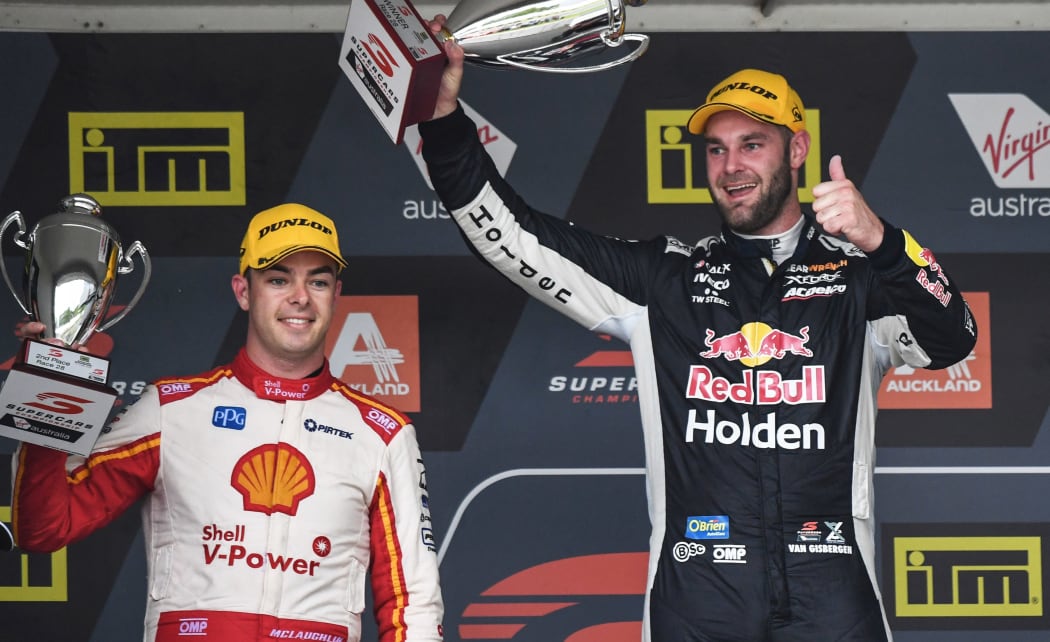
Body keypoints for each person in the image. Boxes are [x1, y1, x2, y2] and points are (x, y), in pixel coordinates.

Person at [419, 22, 976, 642]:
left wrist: (884, 243)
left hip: (835, 591)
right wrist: (443, 121)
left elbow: (954, 337)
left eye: (751, 144)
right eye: (716, 149)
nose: (732, 166)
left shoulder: (860, 282)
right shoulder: (665, 280)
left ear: (796, 150)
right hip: (698, 592)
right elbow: (516, 237)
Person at [9, 203, 445, 642]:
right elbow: (43, 527)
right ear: (243, 291)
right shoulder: (171, 410)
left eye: (318, 280)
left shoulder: (382, 433)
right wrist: (51, 380)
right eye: (278, 279)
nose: (300, 297)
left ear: (336, 294)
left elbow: (414, 604)